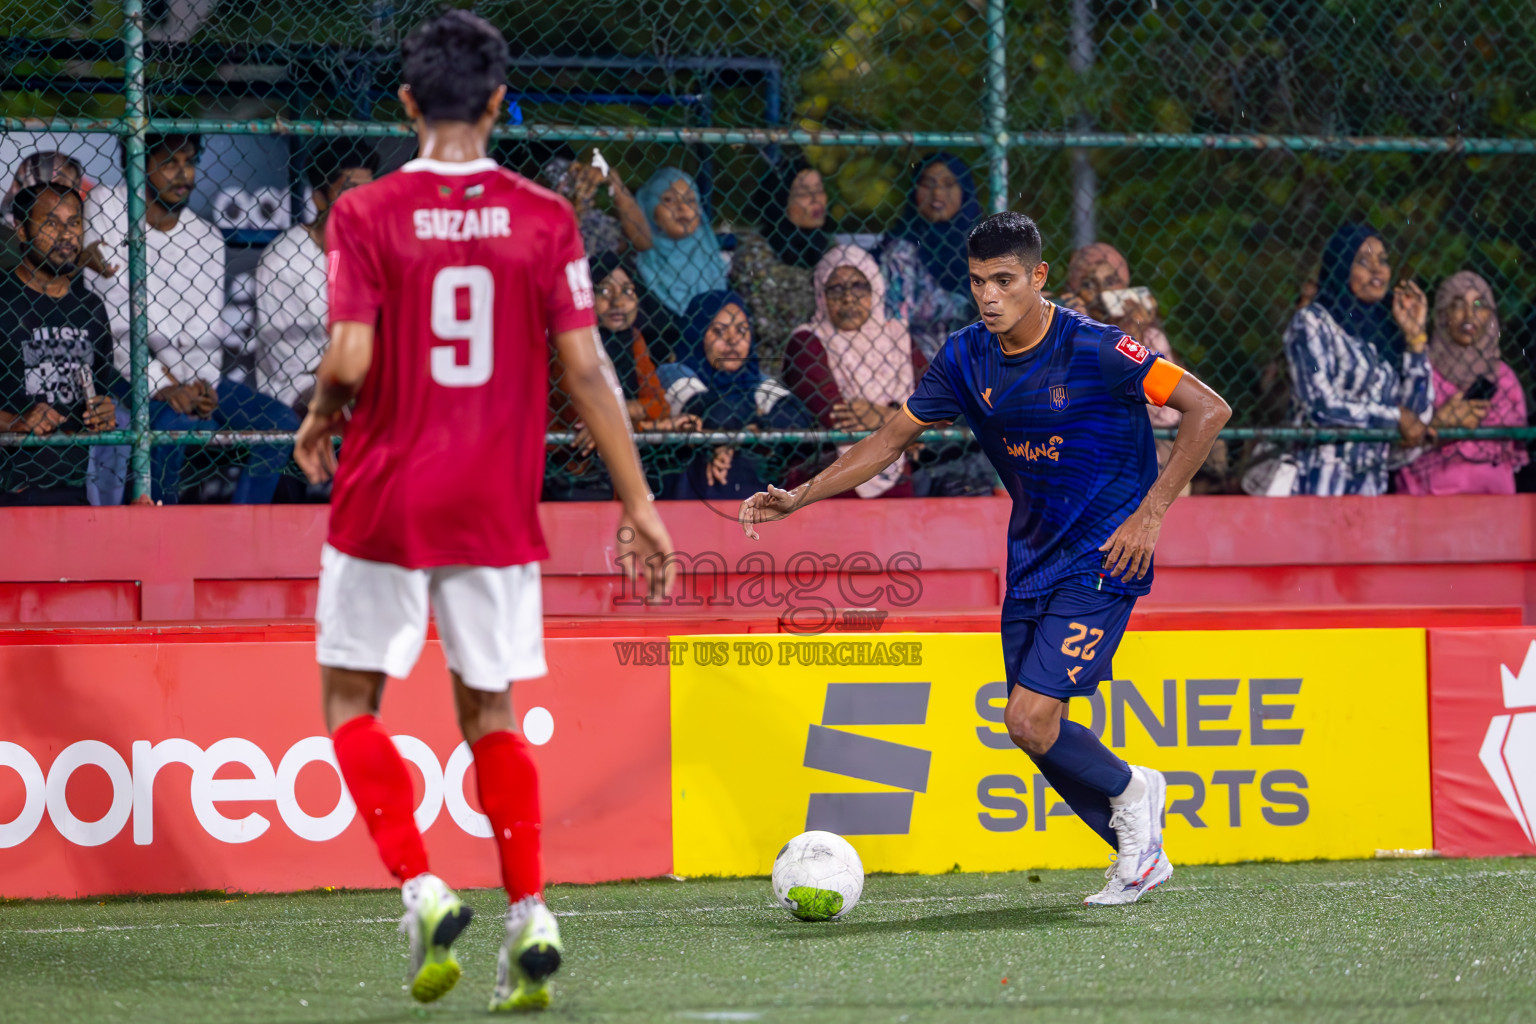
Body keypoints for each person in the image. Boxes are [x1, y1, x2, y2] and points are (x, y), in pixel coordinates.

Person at [289, 10, 673, 1012]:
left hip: (387, 491)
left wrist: (322, 415)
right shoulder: (545, 218)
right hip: (496, 500)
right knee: (490, 711)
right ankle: (531, 913)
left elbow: (349, 358)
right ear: (499, 102)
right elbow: (587, 369)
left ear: (409, 101)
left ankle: (422, 889)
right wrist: (639, 502)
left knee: (348, 700)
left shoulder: (366, 212)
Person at [740, 212, 1231, 906]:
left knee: (1028, 719)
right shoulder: (966, 357)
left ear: (1037, 278)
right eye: (977, 283)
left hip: (1106, 553)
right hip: (1031, 557)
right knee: (1034, 729)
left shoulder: (1097, 349)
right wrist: (800, 496)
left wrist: (1150, 517)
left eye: (1004, 281)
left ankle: (1131, 795)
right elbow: (887, 442)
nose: (989, 296)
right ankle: (1137, 833)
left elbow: (1207, 409)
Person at [84, 133, 298, 502]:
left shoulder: (207, 236)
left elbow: (205, 326)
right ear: (138, 164)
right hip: (122, 371)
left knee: (281, 424)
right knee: (174, 426)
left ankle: (239, 529)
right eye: (169, 162)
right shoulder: (107, 206)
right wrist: (160, 385)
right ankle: (159, 530)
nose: (183, 173)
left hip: (188, 375)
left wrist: (203, 386)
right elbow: (113, 315)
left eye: (190, 161)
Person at [1283, 223, 1433, 495]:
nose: (1378, 269)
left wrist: (1415, 340)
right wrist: (1394, 416)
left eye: (1383, 261)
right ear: (1341, 269)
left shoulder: (1388, 334)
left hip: (1371, 491)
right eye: (1363, 261)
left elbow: (1418, 418)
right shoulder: (1312, 325)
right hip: (1317, 486)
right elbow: (1320, 405)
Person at [0, 183, 119, 504]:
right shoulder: (3, 301)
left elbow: (101, 391)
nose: (66, 235)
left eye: (74, 222)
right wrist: (14, 421)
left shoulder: (90, 307)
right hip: (9, 489)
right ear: (21, 230)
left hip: (74, 488)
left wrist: (104, 413)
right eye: (51, 223)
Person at [547, 253, 693, 500]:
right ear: (585, 298)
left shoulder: (634, 340)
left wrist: (611, 415)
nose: (618, 301)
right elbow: (577, 413)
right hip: (570, 462)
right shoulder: (570, 342)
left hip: (618, 458)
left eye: (628, 291)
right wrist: (631, 414)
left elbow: (658, 406)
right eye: (604, 291)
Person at [782, 243, 924, 497]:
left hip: (898, 478)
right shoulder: (806, 341)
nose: (848, 297)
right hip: (827, 481)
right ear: (821, 295)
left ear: (876, 289)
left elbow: (939, 409)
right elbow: (836, 417)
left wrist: (881, 417)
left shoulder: (896, 336)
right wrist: (907, 425)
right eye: (836, 288)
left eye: (859, 286)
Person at [254, 139, 378, 416]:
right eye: (349, 191)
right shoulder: (284, 259)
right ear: (319, 198)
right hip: (296, 387)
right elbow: (293, 364)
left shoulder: (372, 254)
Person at [661, 289, 811, 501]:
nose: (732, 340)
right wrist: (752, 429)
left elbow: (799, 417)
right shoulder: (673, 372)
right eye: (720, 331)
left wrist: (736, 435)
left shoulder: (755, 377)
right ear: (698, 333)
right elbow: (715, 414)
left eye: (742, 330)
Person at [1396, 271, 1528, 494]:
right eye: (1457, 304)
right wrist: (1440, 425)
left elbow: (1515, 449)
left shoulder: (1504, 378)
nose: (1469, 314)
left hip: (1495, 504)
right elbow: (1404, 439)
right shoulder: (1421, 369)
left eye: (1479, 304)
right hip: (1428, 502)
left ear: (1491, 314)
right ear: (1443, 314)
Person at [729, 152, 834, 374]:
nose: (816, 200)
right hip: (776, 364)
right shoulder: (754, 253)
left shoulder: (831, 248)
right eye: (804, 193)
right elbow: (763, 325)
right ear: (781, 199)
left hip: (831, 359)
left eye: (819, 190)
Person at [879, 152, 982, 360]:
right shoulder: (901, 250)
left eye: (948, 184)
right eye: (928, 184)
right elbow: (897, 318)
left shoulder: (984, 243)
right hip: (920, 363)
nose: (937, 193)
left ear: (965, 190)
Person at [633, 167, 727, 344]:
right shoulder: (637, 270)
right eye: (669, 200)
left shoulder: (715, 263)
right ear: (649, 207)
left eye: (691, 200)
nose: (683, 208)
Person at [538, 152, 652, 259]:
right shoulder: (540, 231)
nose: (578, 187)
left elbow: (643, 241)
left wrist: (614, 181)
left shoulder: (594, 221)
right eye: (565, 181)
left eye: (579, 178)